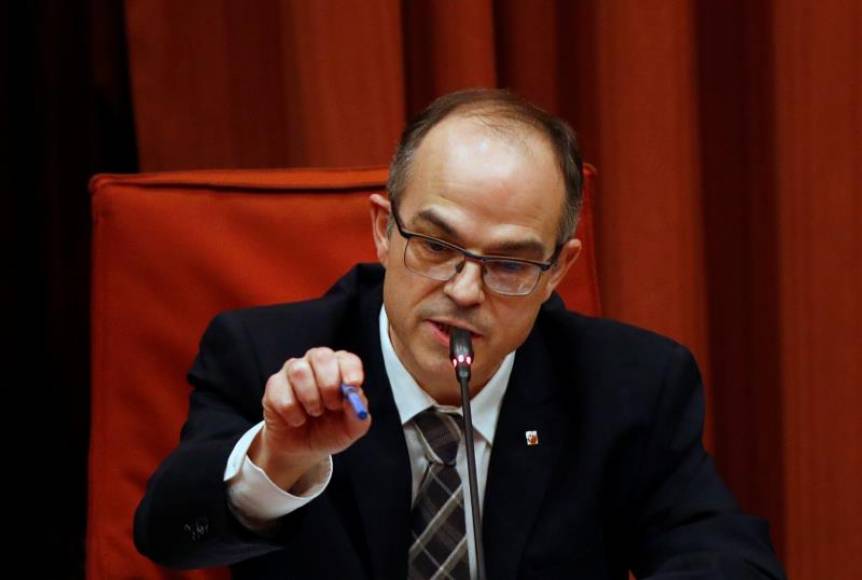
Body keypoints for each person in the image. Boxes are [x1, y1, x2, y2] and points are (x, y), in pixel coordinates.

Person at [134, 89, 786, 579]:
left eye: (509, 263)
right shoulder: (264, 355)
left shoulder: (632, 385)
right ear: (384, 231)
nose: (466, 291)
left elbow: (726, 557)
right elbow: (168, 537)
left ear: (559, 270)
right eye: (438, 245)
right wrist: (277, 464)